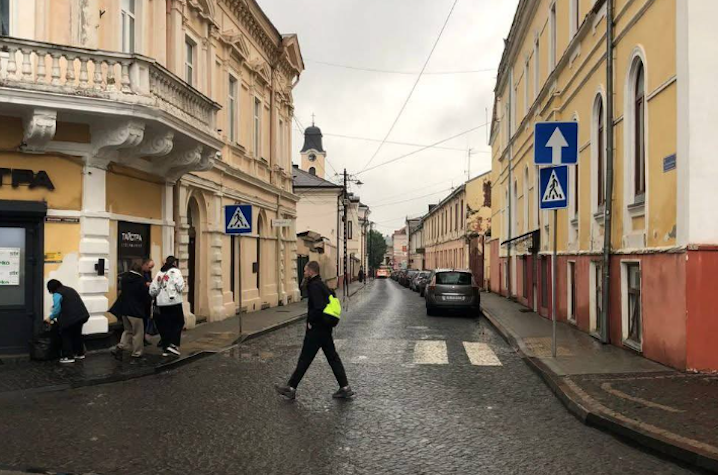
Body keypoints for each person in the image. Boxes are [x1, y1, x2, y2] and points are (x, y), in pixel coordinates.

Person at [275, 261, 353, 400]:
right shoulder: (322, 284)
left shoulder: (314, 286)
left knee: (305, 358)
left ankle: (291, 388)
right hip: (325, 329)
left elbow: (318, 307)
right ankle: (345, 387)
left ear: (311, 271)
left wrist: (311, 322)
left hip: (317, 330)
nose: (304, 273)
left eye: (305, 271)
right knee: (332, 358)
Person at [109, 262, 149, 358]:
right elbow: (145, 296)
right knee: (138, 333)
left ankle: (120, 347)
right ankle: (137, 353)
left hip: (125, 309)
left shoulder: (125, 279)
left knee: (128, 330)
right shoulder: (140, 280)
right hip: (136, 310)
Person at [46, 279, 90, 364]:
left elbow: (57, 309)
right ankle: (80, 354)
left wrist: (50, 317)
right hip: (82, 315)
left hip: (71, 318)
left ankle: (68, 356)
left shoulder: (57, 293)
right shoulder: (70, 289)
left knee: (65, 335)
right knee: (77, 334)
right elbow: (69, 302)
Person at [149, 256, 185, 357]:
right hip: (174, 302)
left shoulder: (159, 273)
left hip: (161, 303)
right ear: (174, 263)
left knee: (165, 325)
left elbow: (152, 290)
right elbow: (180, 287)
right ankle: (173, 344)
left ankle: (166, 348)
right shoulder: (176, 271)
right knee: (179, 322)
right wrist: (183, 285)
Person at [140, 258, 155, 346]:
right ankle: (141, 339)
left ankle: (144, 338)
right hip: (142, 301)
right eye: (150, 267)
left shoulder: (147, 273)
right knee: (142, 321)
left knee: (146, 320)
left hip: (147, 301)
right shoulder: (140, 274)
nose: (150, 269)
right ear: (145, 265)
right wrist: (146, 284)